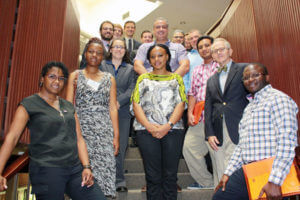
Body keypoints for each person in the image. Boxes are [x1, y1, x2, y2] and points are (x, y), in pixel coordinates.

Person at [0, 61, 106, 200]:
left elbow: (79, 139)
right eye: (52, 76)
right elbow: (12, 138)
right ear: (42, 78)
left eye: (61, 78)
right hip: (47, 169)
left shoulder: (67, 105)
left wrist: (86, 166)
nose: (57, 81)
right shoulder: (29, 104)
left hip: (75, 169)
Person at [213, 63, 298, 200]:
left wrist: (275, 181)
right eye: (246, 78)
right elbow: (242, 145)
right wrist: (228, 173)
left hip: (272, 171)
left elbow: (287, 142)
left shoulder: (279, 100)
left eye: (255, 75)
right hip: (249, 170)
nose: (250, 80)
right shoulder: (250, 107)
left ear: (267, 77)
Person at [131, 44, 187, 200]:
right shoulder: (143, 78)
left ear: (167, 56)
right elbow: (136, 104)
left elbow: (181, 104)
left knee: (170, 176)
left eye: (160, 55)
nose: (157, 59)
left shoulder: (176, 78)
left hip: (173, 130)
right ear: (149, 60)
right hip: (146, 131)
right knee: (153, 177)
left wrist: (167, 126)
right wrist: (149, 126)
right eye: (153, 57)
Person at [66, 38, 119, 198]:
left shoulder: (109, 78)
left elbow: (112, 108)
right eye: (91, 52)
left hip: (104, 131)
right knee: (83, 173)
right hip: (81, 130)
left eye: (98, 53)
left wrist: (116, 136)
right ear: (85, 54)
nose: (94, 55)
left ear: (103, 56)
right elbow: (69, 106)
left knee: (103, 173)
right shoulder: (74, 76)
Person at [205, 38, 249, 186]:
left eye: (222, 49)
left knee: (235, 171)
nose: (219, 53)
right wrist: (209, 133)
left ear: (230, 51)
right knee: (219, 169)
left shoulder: (245, 69)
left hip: (239, 126)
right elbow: (209, 107)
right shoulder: (211, 79)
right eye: (215, 51)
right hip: (217, 131)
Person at [99, 38, 136, 193]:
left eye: (122, 47)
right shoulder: (101, 65)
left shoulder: (130, 68)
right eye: (116, 47)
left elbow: (132, 88)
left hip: (122, 112)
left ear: (125, 50)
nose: (119, 49)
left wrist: (118, 101)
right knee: (103, 145)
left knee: (119, 146)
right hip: (103, 111)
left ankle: (119, 180)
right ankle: (102, 180)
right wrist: (110, 101)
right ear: (111, 49)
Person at [183, 36, 217, 190]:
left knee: (218, 154)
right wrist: (190, 112)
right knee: (189, 148)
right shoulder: (197, 70)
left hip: (217, 119)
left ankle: (221, 185)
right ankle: (206, 182)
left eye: (207, 45)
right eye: (201, 46)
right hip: (199, 118)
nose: (204, 49)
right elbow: (192, 94)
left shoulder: (221, 66)